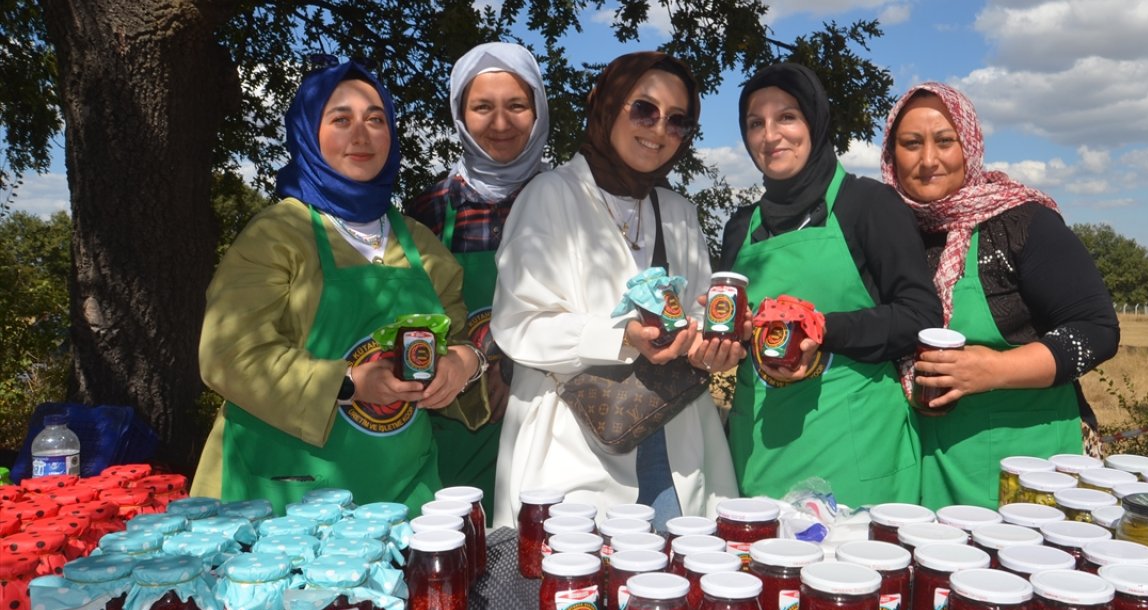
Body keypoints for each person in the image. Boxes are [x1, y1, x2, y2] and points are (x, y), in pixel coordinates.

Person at [191, 59, 488, 512]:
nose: (361, 134)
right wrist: (348, 383)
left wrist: (464, 363)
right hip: (281, 497)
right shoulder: (277, 235)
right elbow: (229, 355)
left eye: (375, 119)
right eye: (341, 120)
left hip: (402, 493)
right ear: (309, 134)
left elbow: (459, 338)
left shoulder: (421, 244)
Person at [488, 51, 739, 529]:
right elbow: (518, 324)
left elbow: (698, 317)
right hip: (572, 447)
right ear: (605, 105)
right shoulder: (550, 196)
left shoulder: (679, 213)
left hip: (677, 446)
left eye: (677, 121)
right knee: (582, 592)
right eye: (643, 109)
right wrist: (621, 336)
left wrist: (712, 345)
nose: (658, 129)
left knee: (675, 589)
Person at [880, 81, 1119, 509]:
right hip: (923, 464)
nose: (928, 160)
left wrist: (993, 370)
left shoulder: (1021, 224)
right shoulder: (886, 232)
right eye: (911, 144)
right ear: (891, 155)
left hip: (1028, 466)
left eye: (945, 141)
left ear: (969, 145)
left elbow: (1097, 330)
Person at [717, 63, 942, 507]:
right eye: (754, 123)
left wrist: (823, 330)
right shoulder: (740, 227)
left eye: (787, 117)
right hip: (759, 451)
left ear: (815, 122)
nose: (770, 135)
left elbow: (920, 315)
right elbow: (737, 335)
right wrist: (726, 337)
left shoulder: (868, 205)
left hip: (855, 452)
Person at [405, 43, 550, 518]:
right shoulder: (426, 212)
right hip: (452, 416)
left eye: (516, 106)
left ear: (538, 111)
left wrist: (517, 366)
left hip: (547, 414)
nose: (501, 123)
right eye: (483, 107)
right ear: (461, 115)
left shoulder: (571, 202)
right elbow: (407, 313)